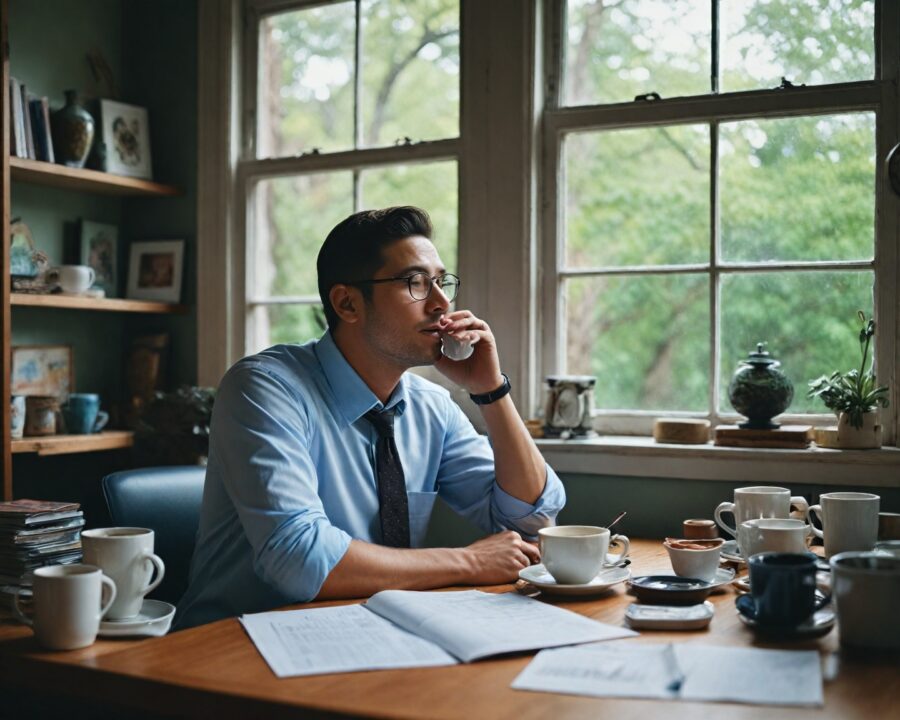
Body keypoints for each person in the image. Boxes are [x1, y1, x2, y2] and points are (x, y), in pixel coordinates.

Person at [175, 206, 565, 629]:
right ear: (347, 303)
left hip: (365, 633)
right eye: (415, 283)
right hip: (233, 641)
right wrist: (469, 562)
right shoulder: (265, 389)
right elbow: (299, 559)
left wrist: (491, 392)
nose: (441, 303)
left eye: (441, 282)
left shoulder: (430, 406)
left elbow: (530, 520)